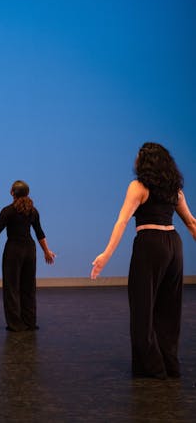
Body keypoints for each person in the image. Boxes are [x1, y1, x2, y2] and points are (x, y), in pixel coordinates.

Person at [91, 142, 196, 379]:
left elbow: (122, 221)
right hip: (174, 246)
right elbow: (191, 223)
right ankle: (170, 364)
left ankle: (153, 367)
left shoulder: (138, 186)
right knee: (169, 309)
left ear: (145, 161)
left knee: (143, 307)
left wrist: (106, 255)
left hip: (151, 244)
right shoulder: (175, 189)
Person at [0, 180, 55, 331]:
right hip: (30, 250)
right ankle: (29, 322)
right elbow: (40, 233)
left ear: (12, 193)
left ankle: (16, 324)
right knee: (28, 287)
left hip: (13, 251)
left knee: (11, 287)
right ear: (27, 193)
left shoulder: (7, 211)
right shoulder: (33, 211)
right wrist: (46, 251)